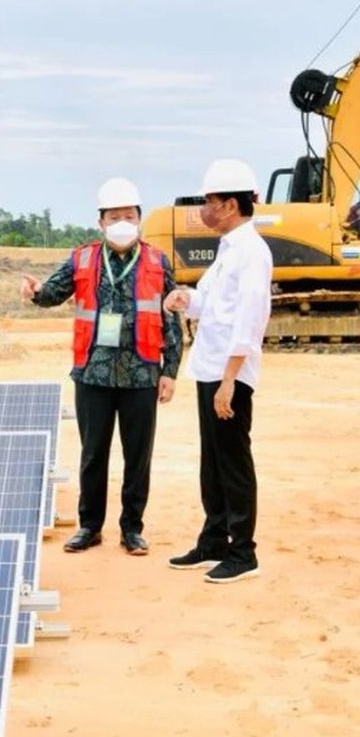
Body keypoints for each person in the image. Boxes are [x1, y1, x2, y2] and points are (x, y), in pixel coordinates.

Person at [22, 178, 183, 556]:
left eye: (129, 215)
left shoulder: (157, 261)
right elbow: (53, 293)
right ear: (101, 222)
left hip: (141, 372)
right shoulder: (82, 258)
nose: (122, 221)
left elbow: (172, 318)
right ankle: (89, 526)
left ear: (140, 218)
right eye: (115, 216)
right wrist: (35, 293)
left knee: (137, 456)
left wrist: (170, 370)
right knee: (93, 453)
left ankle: (132, 529)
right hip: (92, 373)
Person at [164, 159, 272, 584]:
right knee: (212, 461)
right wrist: (184, 300)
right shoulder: (229, 248)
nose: (204, 211)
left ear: (229, 205)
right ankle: (214, 541)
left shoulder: (251, 252)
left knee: (232, 461)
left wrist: (230, 378)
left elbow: (250, 318)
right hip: (209, 367)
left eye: (209, 203)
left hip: (230, 372)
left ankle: (243, 552)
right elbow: (211, 303)